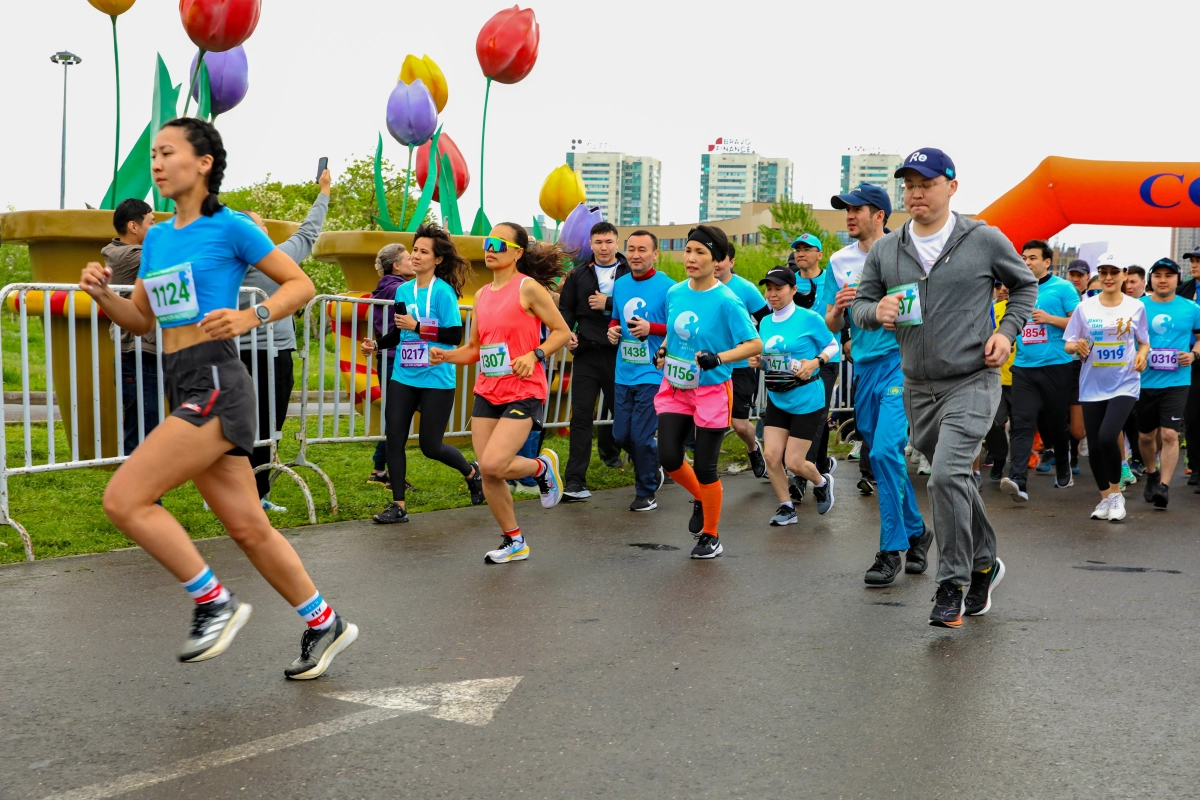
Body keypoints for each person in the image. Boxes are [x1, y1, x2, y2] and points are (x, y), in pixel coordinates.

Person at [78, 118, 357, 678]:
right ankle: (323, 620)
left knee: (125, 499)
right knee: (249, 527)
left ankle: (213, 601)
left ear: (203, 163)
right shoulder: (156, 237)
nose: (156, 163)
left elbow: (298, 285)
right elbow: (142, 322)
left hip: (218, 384)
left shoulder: (231, 228)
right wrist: (105, 294)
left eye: (168, 152)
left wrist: (251, 314)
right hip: (180, 380)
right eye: (153, 154)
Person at [853, 148, 1036, 627]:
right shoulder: (886, 249)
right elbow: (861, 304)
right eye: (909, 184)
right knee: (954, 479)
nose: (916, 192)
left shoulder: (983, 238)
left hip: (973, 379)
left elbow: (1024, 287)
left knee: (942, 477)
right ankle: (986, 562)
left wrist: (1006, 331)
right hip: (918, 386)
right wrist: (876, 313)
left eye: (926, 183)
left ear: (951, 187)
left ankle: (950, 584)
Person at [432, 223, 571, 564]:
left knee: (494, 463)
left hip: (524, 389)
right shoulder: (481, 296)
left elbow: (561, 332)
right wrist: (446, 355)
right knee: (489, 471)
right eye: (487, 242)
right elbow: (475, 349)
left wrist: (534, 354)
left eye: (498, 243)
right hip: (489, 390)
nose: (490, 248)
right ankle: (515, 541)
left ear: (517, 252)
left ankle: (540, 467)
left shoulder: (528, 288)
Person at [823, 182, 929, 587]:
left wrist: (886, 305)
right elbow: (831, 325)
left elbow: (924, 310)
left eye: (857, 209)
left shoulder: (909, 253)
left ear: (880, 215)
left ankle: (890, 550)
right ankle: (918, 532)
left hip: (901, 364)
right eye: (846, 210)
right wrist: (840, 309)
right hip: (863, 367)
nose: (850, 216)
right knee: (883, 456)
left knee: (886, 450)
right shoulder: (838, 260)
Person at [361, 224, 484, 523]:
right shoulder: (403, 290)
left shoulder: (444, 293)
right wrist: (377, 344)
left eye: (423, 251)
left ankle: (472, 473)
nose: (416, 255)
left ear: (438, 259)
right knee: (395, 439)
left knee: (431, 446)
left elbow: (454, 335)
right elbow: (400, 330)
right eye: (414, 249)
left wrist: (419, 327)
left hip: (437, 378)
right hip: (404, 375)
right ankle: (399, 506)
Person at [652, 225, 760, 558]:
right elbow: (675, 333)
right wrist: (664, 350)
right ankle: (701, 496)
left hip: (712, 390)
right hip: (675, 385)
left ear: (716, 260)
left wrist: (719, 358)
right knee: (669, 457)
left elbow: (755, 344)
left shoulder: (727, 301)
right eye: (688, 250)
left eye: (700, 252)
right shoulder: (675, 293)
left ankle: (711, 535)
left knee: (706, 467)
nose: (691, 258)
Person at [237, 171, 331, 512]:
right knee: (264, 425)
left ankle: (239, 493)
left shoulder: (225, 266)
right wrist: (324, 192)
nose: (266, 231)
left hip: (241, 353)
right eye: (261, 227)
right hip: (268, 355)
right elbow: (308, 231)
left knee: (243, 424)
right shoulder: (275, 258)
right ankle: (252, 495)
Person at [1063, 254, 1150, 522]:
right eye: (1104, 272)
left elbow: (1144, 341)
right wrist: (1076, 346)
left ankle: (1115, 494)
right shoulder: (1085, 307)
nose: (1109, 277)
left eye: (1114, 272)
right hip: (1092, 385)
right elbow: (1068, 343)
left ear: (1124, 274)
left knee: (1106, 436)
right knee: (1095, 444)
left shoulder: (1136, 307)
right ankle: (1104, 498)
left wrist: (1142, 356)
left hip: (1124, 383)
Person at [753, 268, 838, 525]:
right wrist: (759, 362)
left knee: (795, 462)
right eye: (769, 289)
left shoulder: (809, 318)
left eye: (778, 288)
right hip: (778, 398)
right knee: (771, 456)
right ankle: (786, 507)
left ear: (792, 290)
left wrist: (815, 362)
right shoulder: (765, 323)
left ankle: (822, 482)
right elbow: (772, 361)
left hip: (806, 400)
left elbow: (832, 344)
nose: (772, 294)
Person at [999, 239, 1079, 501]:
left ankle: (1064, 463)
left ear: (1047, 262)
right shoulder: (1016, 289)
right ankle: (1019, 481)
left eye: (1032, 258)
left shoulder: (1063, 288)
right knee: (1021, 424)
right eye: (1023, 258)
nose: (1027, 262)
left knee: (1057, 423)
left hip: (1056, 366)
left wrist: (1050, 319)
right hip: (1023, 368)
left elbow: (1080, 325)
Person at [559, 221, 628, 500]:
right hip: (586, 353)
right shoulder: (578, 274)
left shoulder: (629, 273)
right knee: (581, 417)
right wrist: (567, 335)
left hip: (619, 354)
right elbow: (566, 310)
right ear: (591, 244)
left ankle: (649, 467)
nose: (603, 247)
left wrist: (608, 304)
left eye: (609, 242)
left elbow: (640, 307)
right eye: (598, 242)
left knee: (623, 418)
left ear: (616, 243)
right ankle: (575, 481)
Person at [605, 230, 673, 511]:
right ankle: (655, 463)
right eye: (631, 249)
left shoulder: (671, 288)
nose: (635, 255)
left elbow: (679, 330)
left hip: (652, 373)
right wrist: (612, 331)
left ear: (655, 254)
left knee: (641, 436)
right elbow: (614, 318)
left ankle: (645, 491)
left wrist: (652, 329)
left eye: (642, 249)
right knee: (621, 435)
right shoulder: (619, 285)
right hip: (624, 372)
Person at [1135, 258, 1200, 508]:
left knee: (1171, 434)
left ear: (1177, 279)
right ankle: (1151, 472)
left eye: (1169, 276)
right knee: (1146, 436)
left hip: (1177, 380)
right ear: (1151, 279)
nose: (1163, 280)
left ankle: (1164, 486)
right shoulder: (1137, 307)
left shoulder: (1191, 308)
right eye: (1158, 275)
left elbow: (1199, 339)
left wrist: (1193, 354)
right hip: (1143, 381)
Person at [103, 198, 160, 456]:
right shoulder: (130, 256)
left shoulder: (121, 252)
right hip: (138, 352)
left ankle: (146, 494)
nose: (157, 228)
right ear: (133, 226)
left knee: (147, 426)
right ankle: (140, 495)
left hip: (141, 350)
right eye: (152, 222)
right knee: (142, 430)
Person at [713, 242, 772, 477]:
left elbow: (767, 321)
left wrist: (759, 349)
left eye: (721, 258)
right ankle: (707, 473)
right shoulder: (699, 288)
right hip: (711, 366)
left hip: (740, 364)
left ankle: (752, 446)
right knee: (709, 422)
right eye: (713, 257)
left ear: (731, 262)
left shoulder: (745, 289)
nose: (716, 263)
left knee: (738, 424)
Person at [790, 232, 841, 485]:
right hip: (793, 362)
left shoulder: (831, 282)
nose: (801, 252)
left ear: (819, 255)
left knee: (817, 414)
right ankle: (821, 462)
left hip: (826, 359)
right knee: (797, 414)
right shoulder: (788, 283)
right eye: (798, 248)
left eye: (807, 248)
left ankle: (801, 474)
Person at [367, 243, 415, 488]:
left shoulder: (386, 287)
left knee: (398, 415)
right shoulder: (397, 288)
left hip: (393, 356)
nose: (414, 261)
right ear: (396, 265)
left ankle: (379, 469)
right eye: (409, 258)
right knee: (398, 416)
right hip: (394, 357)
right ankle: (387, 473)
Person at [984, 282, 1016, 481]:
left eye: (1009, 284)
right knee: (994, 423)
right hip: (996, 377)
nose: (1005, 288)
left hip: (1022, 377)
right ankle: (999, 459)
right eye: (999, 285)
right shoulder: (993, 310)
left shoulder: (1031, 310)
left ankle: (1017, 470)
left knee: (1021, 426)